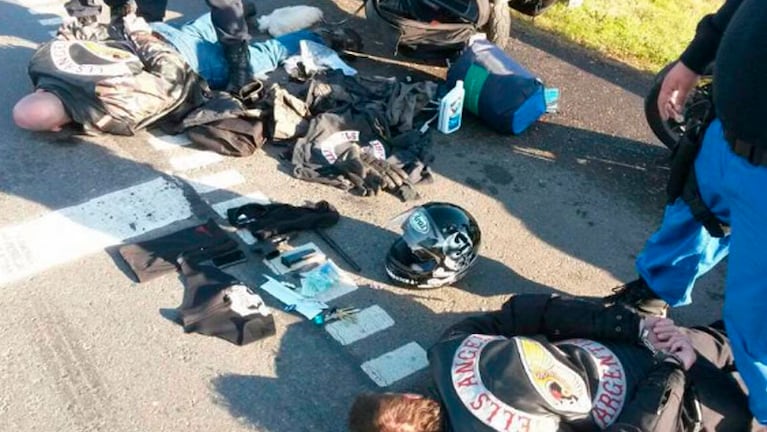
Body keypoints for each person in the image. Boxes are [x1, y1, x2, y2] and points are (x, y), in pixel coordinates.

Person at [603, 0, 767, 424]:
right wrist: (694, 59)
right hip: (725, 132)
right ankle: (653, 296)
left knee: (757, 320)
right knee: (693, 216)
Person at [348, 294, 758, 431]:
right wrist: (631, 325)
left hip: (685, 401)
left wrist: (668, 367)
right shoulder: (448, 349)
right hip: (652, 355)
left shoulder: (450, 352)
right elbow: (534, 313)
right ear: (402, 393)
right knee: (739, 337)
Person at [12, 13, 356, 134]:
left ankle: (319, 38)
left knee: (258, 56)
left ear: (59, 125)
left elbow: (173, 77)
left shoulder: (113, 106)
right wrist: (139, 34)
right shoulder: (41, 61)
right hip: (152, 34)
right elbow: (75, 32)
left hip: (176, 54)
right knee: (206, 28)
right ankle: (238, 14)